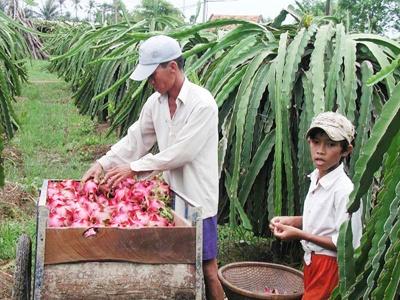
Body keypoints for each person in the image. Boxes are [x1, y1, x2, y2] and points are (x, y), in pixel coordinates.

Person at [81, 35, 225, 300]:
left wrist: (134, 168)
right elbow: (136, 139)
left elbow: (182, 152)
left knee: (207, 267)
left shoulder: (202, 104)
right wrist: (102, 163)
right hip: (169, 196)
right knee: (174, 263)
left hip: (197, 199)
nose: (150, 81)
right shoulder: (155, 103)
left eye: (152, 74)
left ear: (172, 67)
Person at [269, 111, 362, 299]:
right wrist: (293, 221)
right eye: (316, 141)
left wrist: (299, 234)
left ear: (346, 151)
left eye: (331, 144)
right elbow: (326, 221)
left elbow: (345, 243)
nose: (321, 150)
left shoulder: (344, 191)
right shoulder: (317, 176)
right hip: (312, 263)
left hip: (330, 267)